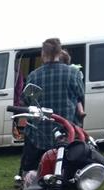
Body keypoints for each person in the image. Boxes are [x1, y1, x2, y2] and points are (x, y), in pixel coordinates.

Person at [19, 38, 85, 174]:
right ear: (59, 52)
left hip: (38, 133)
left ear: (43, 53)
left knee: (31, 171)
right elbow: (80, 95)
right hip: (65, 132)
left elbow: (25, 100)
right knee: (65, 171)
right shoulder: (73, 73)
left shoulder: (34, 75)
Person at [59, 49, 86, 126]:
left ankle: (81, 111)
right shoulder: (73, 72)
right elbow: (81, 94)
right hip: (70, 119)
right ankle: (81, 111)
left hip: (52, 119)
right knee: (78, 99)